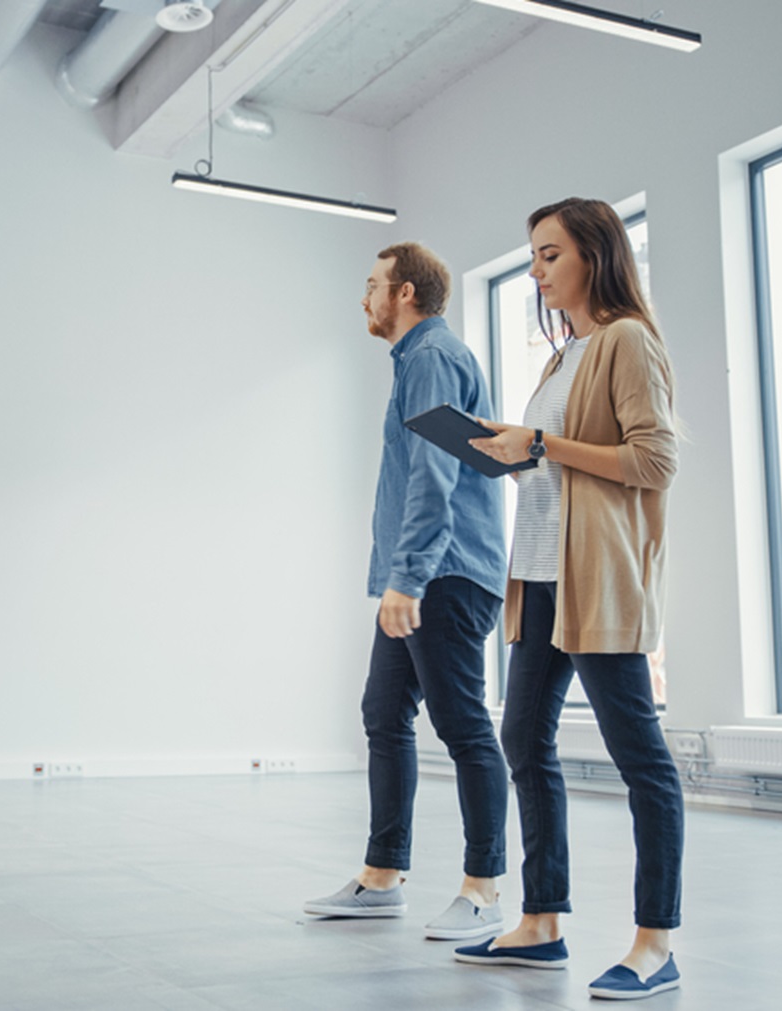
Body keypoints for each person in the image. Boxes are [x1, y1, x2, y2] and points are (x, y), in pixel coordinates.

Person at [458, 197, 683, 1001]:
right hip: (543, 579)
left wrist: (544, 444)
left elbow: (652, 462)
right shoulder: (562, 359)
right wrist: (510, 450)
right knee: (522, 739)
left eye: (550, 254)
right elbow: (556, 463)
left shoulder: (625, 340)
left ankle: (656, 942)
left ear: (594, 252)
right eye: (533, 255)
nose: (536, 269)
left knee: (642, 762)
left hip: (598, 581)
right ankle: (542, 921)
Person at [304, 243, 510, 942]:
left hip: (444, 574)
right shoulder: (420, 359)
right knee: (384, 711)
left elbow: (435, 473)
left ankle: (484, 891)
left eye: (373, 285)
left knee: (461, 725)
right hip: (430, 570)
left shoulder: (429, 357)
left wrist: (407, 576)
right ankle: (382, 876)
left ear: (406, 294)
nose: (365, 297)